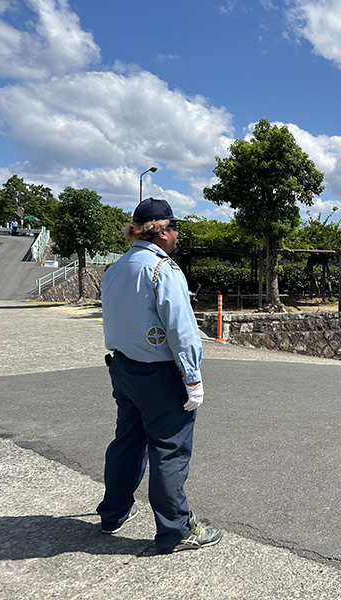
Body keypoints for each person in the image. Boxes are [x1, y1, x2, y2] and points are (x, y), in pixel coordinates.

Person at [97, 197, 222, 554]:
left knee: (127, 442)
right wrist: (193, 378)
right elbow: (182, 330)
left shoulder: (117, 268)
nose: (178, 235)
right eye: (176, 228)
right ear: (163, 231)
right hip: (159, 373)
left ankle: (114, 513)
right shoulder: (162, 270)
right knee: (169, 450)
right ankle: (176, 530)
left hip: (123, 367)